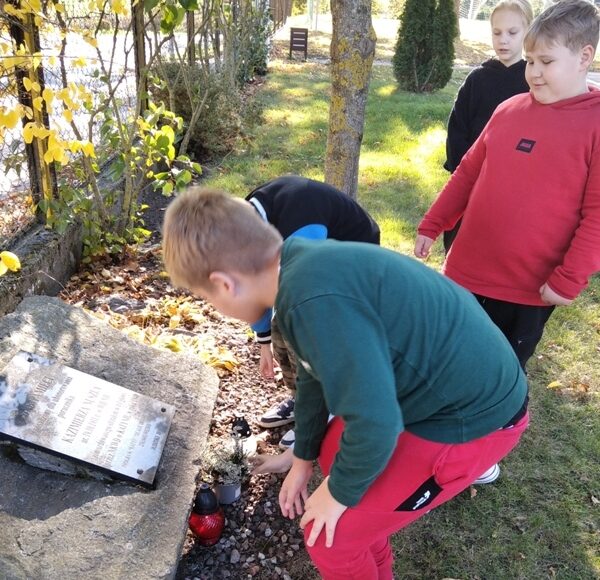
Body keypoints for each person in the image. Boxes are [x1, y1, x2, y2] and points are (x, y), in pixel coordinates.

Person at [163, 187, 529, 580]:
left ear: (223, 284)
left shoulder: (311, 302)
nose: (217, 309)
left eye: (206, 297)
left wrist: (338, 495)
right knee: (332, 450)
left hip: (473, 419)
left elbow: (376, 422)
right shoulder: (295, 271)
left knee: (329, 539)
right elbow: (313, 377)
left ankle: (360, 539)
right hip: (430, 392)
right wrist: (302, 458)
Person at [415, 0, 600, 370]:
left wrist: (568, 279)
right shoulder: (509, 109)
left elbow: (596, 216)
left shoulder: (594, 124)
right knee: (446, 359)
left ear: (584, 57)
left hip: (526, 289)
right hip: (466, 270)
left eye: (546, 62)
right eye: (530, 61)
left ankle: (493, 427)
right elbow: (467, 173)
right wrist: (434, 223)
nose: (534, 72)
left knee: (497, 374)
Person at [245, 175, 380, 449]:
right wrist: (264, 344)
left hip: (352, 269)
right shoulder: (249, 214)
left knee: (303, 335)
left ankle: (322, 413)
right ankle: (302, 401)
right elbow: (257, 280)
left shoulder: (301, 221)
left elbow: (306, 291)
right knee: (282, 331)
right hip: (316, 268)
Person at [443, 0, 533, 253]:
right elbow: (457, 130)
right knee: (462, 245)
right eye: (497, 32)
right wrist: (463, 174)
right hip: (472, 180)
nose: (503, 40)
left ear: (528, 31)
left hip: (516, 184)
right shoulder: (477, 79)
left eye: (512, 33)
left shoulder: (534, 81)